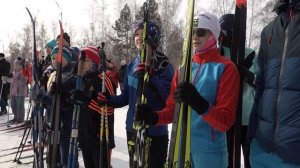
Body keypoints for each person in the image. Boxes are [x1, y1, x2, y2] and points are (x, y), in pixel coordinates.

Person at [135, 12, 240, 168]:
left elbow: (225, 122)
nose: (195, 37)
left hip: (209, 153)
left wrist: (199, 103)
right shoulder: (184, 69)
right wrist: (154, 117)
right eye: (192, 32)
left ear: (214, 35)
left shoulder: (226, 68)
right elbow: (172, 109)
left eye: (201, 32)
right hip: (181, 148)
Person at [97, 20, 174, 168]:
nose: (138, 38)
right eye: (136, 34)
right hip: (133, 128)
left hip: (155, 131)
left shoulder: (164, 66)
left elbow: (167, 100)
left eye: (142, 34)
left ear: (152, 37)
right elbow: (126, 97)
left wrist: (152, 78)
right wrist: (109, 100)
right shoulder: (132, 66)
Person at [248, 1, 300, 167]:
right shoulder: (269, 31)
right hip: (261, 148)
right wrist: (251, 137)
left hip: (294, 155)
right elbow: (261, 87)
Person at [219, 14, 256, 168]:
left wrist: (249, 76)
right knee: (228, 160)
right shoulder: (218, 54)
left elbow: (261, 81)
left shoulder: (249, 53)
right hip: (227, 117)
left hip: (247, 116)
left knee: (250, 160)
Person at [70, 46, 117, 168]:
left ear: (95, 61)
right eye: (81, 61)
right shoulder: (81, 81)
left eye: (87, 60)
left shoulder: (103, 80)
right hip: (86, 136)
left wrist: (86, 101)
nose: (83, 64)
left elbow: (109, 109)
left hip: (100, 136)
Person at [34, 46, 77, 167]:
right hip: (52, 124)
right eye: (52, 58)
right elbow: (51, 99)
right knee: (53, 158)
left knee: (65, 159)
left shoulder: (71, 77)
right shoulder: (54, 74)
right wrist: (40, 98)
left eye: (58, 58)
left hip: (65, 126)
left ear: (67, 59)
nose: (54, 61)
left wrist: (44, 98)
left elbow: (60, 104)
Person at [9, 57, 28, 123]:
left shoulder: (22, 72)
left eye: (17, 65)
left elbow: (23, 82)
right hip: (13, 92)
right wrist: (7, 79)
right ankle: (16, 117)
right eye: (15, 65)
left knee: (19, 106)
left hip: (19, 91)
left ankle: (20, 118)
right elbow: (12, 81)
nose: (15, 66)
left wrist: (14, 80)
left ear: (20, 66)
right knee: (13, 105)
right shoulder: (13, 73)